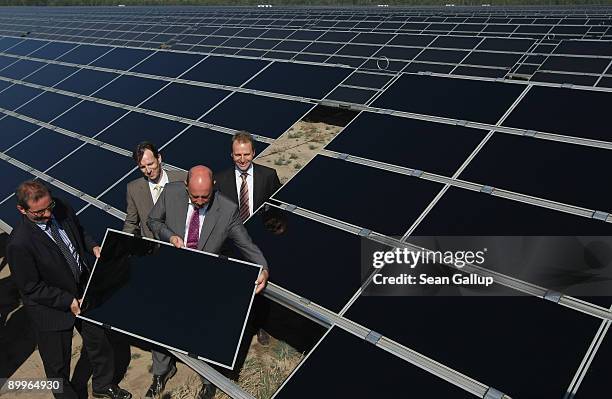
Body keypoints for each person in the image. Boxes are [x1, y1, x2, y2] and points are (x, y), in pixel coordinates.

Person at [147, 165, 269, 398]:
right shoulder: (171, 192)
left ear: (213, 187)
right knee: (160, 322)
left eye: (206, 196)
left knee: (202, 328)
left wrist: (262, 268)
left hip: (203, 277)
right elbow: (153, 221)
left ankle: (208, 379)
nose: (201, 201)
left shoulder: (227, 209)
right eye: (195, 197)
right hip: (171, 269)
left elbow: (246, 244)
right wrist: (169, 236)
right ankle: (162, 371)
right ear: (185, 187)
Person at [6, 180, 131, 399]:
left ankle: (103, 385)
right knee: (57, 368)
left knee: (99, 343)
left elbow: (80, 232)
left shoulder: (61, 206)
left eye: (49, 207)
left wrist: (93, 246)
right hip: (50, 310)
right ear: (22, 210)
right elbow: (31, 288)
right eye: (39, 212)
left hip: (83, 289)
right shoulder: (19, 244)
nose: (47, 215)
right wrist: (67, 300)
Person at [122, 141, 186, 398]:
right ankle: (162, 371)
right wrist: (124, 245)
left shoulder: (183, 178)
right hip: (157, 260)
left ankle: (206, 373)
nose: (148, 170)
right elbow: (131, 221)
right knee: (158, 318)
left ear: (160, 157)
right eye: (142, 167)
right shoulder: (134, 189)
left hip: (187, 256)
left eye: (151, 163)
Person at [214, 131, 281, 345]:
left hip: (259, 241)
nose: (242, 159)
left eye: (246, 154)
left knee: (260, 286)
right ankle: (244, 324)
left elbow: (279, 209)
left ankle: (260, 324)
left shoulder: (268, 176)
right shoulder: (221, 180)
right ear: (231, 155)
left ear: (253, 152)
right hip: (232, 242)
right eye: (237, 155)